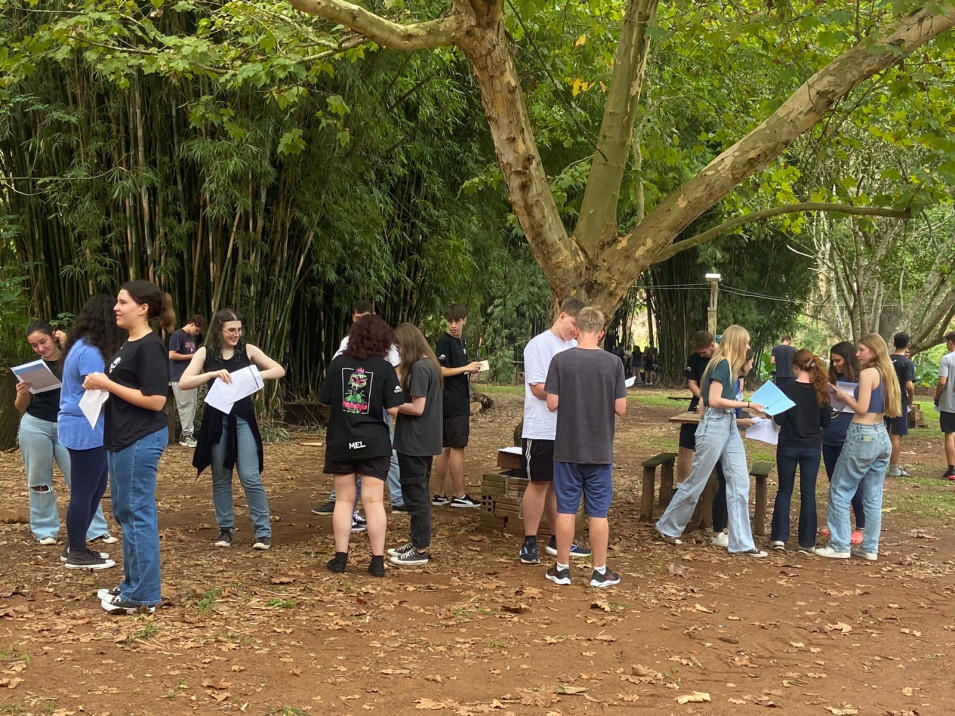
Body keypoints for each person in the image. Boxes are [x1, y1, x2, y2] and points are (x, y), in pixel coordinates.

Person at [83, 280, 173, 614]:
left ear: (143, 308)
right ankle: (132, 584)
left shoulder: (150, 346)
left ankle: (144, 594)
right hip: (122, 437)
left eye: (123, 302)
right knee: (125, 511)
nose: (116, 308)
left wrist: (106, 383)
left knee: (137, 514)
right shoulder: (129, 343)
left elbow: (156, 400)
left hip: (140, 437)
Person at [655, 325, 767, 557]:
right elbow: (714, 400)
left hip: (726, 425)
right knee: (696, 480)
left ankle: (742, 542)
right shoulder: (722, 364)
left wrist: (746, 411)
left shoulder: (730, 368)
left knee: (739, 482)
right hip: (715, 425)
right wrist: (747, 406)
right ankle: (668, 527)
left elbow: (708, 402)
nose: (748, 347)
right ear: (737, 342)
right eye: (746, 342)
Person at [179, 309, 286, 550]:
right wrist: (213, 373)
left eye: (239, 330)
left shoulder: (247, 350)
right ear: (219, 330)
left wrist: (251, 376)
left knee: (249, 475)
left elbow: (279, 369)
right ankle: (225, 529)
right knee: (220, 476)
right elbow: (185, 382)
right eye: (231, 331)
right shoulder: (205, 353)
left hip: (242, 417)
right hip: (216, 419)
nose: (236, 334)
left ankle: (262, 532)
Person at [542, 308, 627, 588]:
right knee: (598, 513)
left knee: (566, 509)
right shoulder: (614, 363)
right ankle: (600, 571)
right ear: (602, 332)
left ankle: (562, 569)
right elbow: (621, 409)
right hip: (600, 449)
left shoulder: (560, 361)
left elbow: (552, 403)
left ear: (576, 329)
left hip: (567, 448)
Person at [15, 321, 112, 547]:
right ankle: (45, 529)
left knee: (83, 480)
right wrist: (22, 392)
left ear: (53, 336)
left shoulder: (73, 358)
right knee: (39, 479)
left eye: (43, 341)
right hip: (36, 424)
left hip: (71, 426)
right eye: (34, 345)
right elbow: (21, 407)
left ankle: (95, 529)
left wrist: (69, 343)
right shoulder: (31, 368)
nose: (40, 348)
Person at [320, 315, 403, 577]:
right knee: (374, 501)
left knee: (344, 500)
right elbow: (393, 409)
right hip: (374, 442)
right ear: (383, 341)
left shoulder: (337, 365)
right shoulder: (384, 368)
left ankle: (340, 559)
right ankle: (377, 562)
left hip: (342, 439)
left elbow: (325, 399)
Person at [518, 298, 592, 566]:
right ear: (562, 316)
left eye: (579, 326)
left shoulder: (574, 346)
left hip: (566, 428)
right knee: (538, 482)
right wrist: (570, 394)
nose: (576, 330)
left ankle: (557, 538)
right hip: (541, 428)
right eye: (574, 323)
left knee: (559, 485)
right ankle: (529, 541)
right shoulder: (539, 345)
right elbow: (537, 387)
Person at [816, 334, 900, 560]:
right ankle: (870, 548)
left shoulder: (868, 373)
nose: (857, 353)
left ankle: (839, 545)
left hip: (862, 434)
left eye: (861, 349)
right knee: (873, 496)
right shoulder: (886, 373)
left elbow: (861, 408)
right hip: (881, 435)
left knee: (840, 489)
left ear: (873, 352)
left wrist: (843, 397)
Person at [59, 296, 127, 569]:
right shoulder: (89, 351)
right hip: (85, 424)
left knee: (95, 487)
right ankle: (76, 551)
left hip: (84, 424)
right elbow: (97, 387)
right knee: (85, 490)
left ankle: (74, 545)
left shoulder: (81, 345)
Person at [388, 323, 443, 566]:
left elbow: (417, 407)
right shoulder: (430, 364)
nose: (398, 352)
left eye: (399, 347)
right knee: (416, 492)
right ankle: (416, 540)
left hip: (415, 441)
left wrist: (393, 405)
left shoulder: (420, 368)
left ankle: (420, 549)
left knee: (416, 494)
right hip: (423, 440)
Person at [769, 349, 831, 552]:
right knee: (808, 493)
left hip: (788, 444)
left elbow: (779, 419)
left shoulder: (786, 389)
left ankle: (779, 537)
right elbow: (826, 422)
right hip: (811, 446)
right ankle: (807, 542)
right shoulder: (821, 390)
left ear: (795, 367)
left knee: (784, 490)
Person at [431, 303, 483, 508]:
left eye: (457, 321)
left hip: (455, 399)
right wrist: (465, 368)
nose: (453, 325)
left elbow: (457, 369)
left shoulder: (460, 341)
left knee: (445, 448)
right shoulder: (444, 342)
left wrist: (469, 370)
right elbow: (440, 370)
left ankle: (439, 493)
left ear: (464, 320)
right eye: (449, 321)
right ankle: (460, 495)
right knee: (456, 447)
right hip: (452, 402)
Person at [822, 342, 866, 544]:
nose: (835, 364)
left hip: (849, 436)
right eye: (832, 361)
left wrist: (845, 397)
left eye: (838, 360)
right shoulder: (833, 379)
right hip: (829, 435)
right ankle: (838, 524)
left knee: (852, 483)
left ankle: (860, 526)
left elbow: (864, 409)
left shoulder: (862, 379)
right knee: (835, 482)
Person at [168, 314, 207, 448]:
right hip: (179, 376)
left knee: (191, 404)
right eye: (197, 330)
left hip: (191, 376)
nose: (197, 333)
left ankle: (188, 434)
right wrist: (193, 356)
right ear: (192, 324)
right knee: (185, 405)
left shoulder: (192, 338)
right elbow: (172, 355)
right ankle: (186, 435)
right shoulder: (177, 335)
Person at [887, 332, 915, 477]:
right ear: (907, 345)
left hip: (884, 400)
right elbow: (909, 386)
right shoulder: (907, 363)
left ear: (893, 343)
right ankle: (893, 468)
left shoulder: (886, 360)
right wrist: (910, 400)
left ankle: (876, 464)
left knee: (882, 431)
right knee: (896, 434)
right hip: (899, 401)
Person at [935, 331, 955, 480]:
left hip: (949, 403)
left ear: (950, 342)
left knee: (950, 434)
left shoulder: (947, 359)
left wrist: (937, 396)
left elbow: (943, 381)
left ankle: (951, 468)